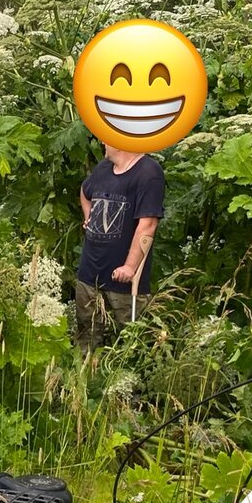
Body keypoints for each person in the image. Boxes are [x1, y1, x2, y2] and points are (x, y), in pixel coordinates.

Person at [75, 143, 163, 351]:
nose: (103, 143)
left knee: (130, 345)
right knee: (86, 341)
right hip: (89, 274)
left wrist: (130, 267)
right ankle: (86, 380)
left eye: (107, 139)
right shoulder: (104, 168)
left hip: (123, 283)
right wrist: (90, 218)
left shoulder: (148, 173)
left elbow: (148, 224)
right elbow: (85, 192)